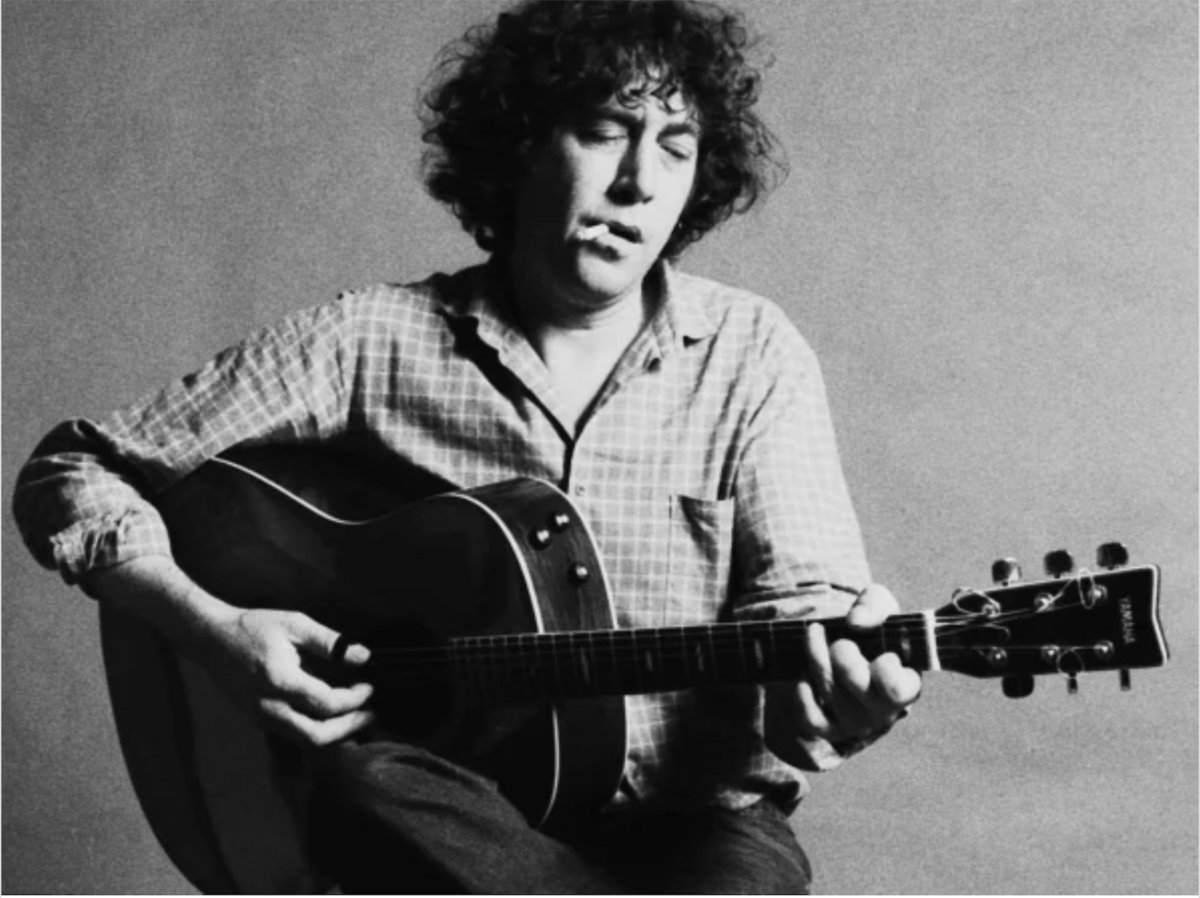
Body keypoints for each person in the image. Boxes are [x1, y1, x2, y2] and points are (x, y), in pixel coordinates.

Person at [13, 0, 922, 893]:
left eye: (676, 148)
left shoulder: (752, 352)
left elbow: (805, 611)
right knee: (365, 786)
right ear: (522, 142)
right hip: (458, 819)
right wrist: (209, 631)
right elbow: (75, 467)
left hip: (698, 828)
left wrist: (835, 699)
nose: (639, 181)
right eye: (605, 131)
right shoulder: (372, 341)